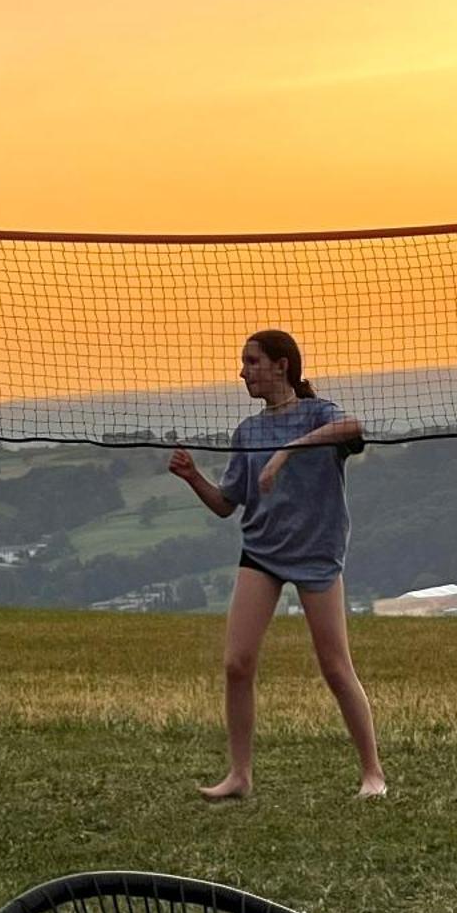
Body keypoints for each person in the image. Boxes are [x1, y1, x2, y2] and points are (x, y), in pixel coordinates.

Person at [166, 329, 386, 801]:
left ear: (281, 365)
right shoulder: (247, 432)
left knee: (334, 666)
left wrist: (286, 453)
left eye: (251, 361)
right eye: (243, 362)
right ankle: (239, 776)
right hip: (261, 553)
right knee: (236, 663)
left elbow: (354, 427)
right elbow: (228, 505)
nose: (242, 371)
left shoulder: (319, 412)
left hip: (316, 553)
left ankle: (373, 774)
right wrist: (191, 477)